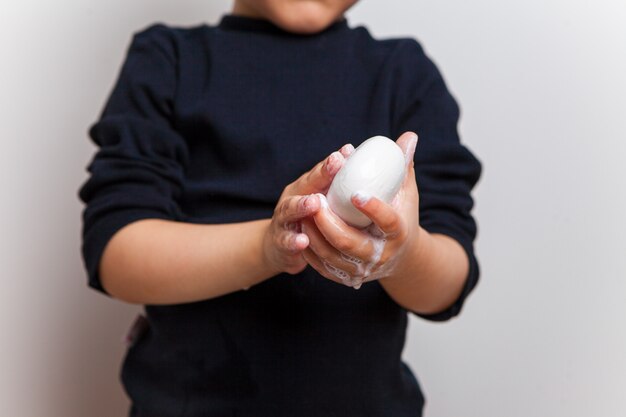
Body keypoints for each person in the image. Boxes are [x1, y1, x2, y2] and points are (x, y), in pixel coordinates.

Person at [79, 0, 482, 416]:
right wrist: (268, 247)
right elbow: (116, 253)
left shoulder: (402, 73)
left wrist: (403, 253)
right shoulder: (170, 59)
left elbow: (449, 281)